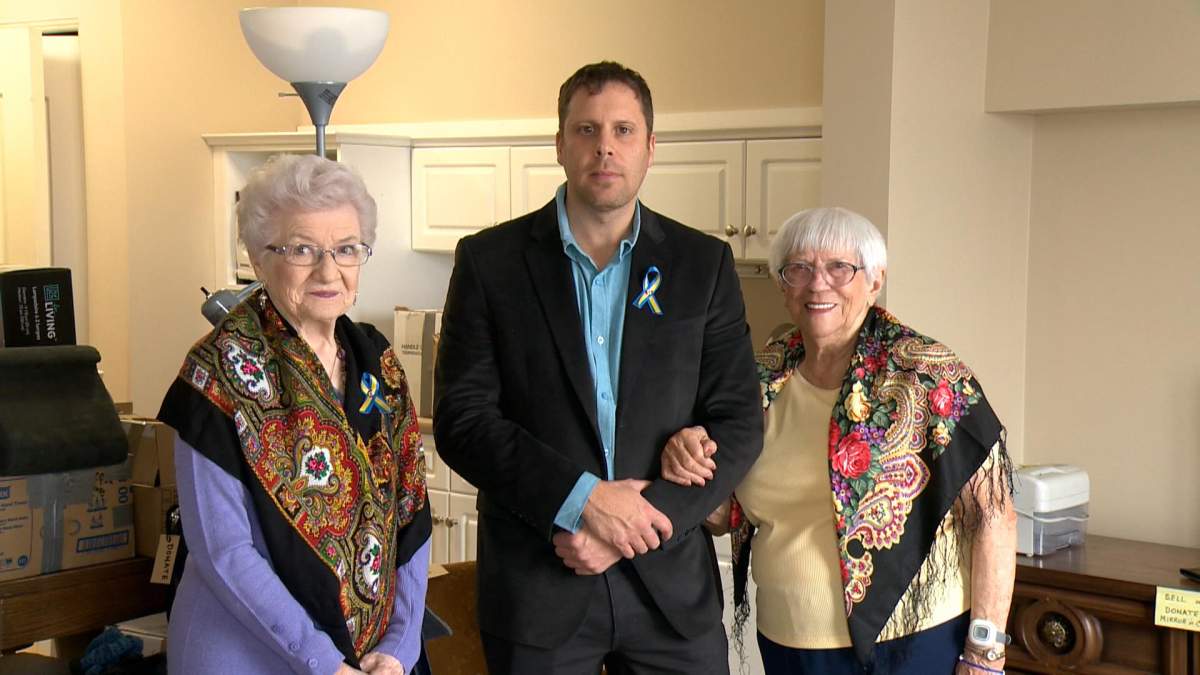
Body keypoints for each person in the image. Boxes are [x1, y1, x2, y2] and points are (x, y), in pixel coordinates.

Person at [433, 61, 763, 674]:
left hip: (671, 597)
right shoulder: (490, 263)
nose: (604, 147)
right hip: (540, 585)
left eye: (623, 130)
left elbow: (740, 419)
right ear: (560, 144)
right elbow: (463, 421)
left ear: (649, 148)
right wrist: (584, 502)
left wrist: (639, 521)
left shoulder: (703, 265)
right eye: (586, 130)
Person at [661, 207, 1017, 674]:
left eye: (839, 268)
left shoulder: (928, 374)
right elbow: (723, 514)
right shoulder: (755, 380)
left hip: (910, 644)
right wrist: (683, 460)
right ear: (783, 286)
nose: (817, 284)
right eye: (799, 269)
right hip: (789, 645)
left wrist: (985, 652)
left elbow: (993, 514)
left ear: (874, 281)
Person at [158, 154, 431, 675]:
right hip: (246, 654)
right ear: (259, 259)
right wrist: (323, 661)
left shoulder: (378, 362)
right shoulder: (217, 373)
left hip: (373, 659)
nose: (329, 270)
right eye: (303, 249)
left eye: (347, 249)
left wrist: (400, 646)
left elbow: (411, 513)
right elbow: (224, 552)